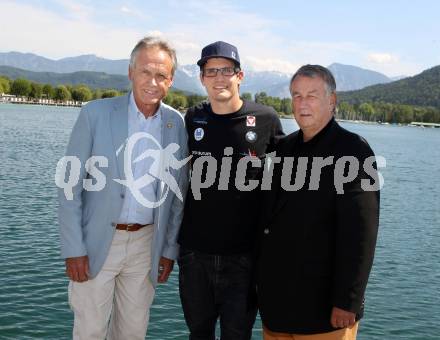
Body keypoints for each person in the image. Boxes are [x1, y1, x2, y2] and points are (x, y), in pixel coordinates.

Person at [57, 36, 189, 340]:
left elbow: (177, 195)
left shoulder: (175, 123)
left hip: (146, 245)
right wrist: (73, 248)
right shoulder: (95, 114)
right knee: (89, 330)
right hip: (96, 242)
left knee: (132, 332)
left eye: (161, 75)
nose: (152, 82)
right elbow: (69, 187)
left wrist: (169, 249)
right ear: (130, 72)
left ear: (170, 80)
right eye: (145, 72)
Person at [257, 65, 380, 340]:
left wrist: (348, 300)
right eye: (296, 96)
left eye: (311, 95)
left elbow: (362, 233)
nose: (302, 104)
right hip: (276, 306)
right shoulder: (283, 149)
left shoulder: (355, 151)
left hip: (324, 313)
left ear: (332, 100)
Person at [177, 41, 284, 340]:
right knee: (198, 333)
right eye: (211, 71)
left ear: (240, 76)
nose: (219, 78)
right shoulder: (192, 118)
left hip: (244, 258)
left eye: (226, 70)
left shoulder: (265, 119)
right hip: (195, 254)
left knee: (237, 335)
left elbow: (294, 168)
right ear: (202, 78)